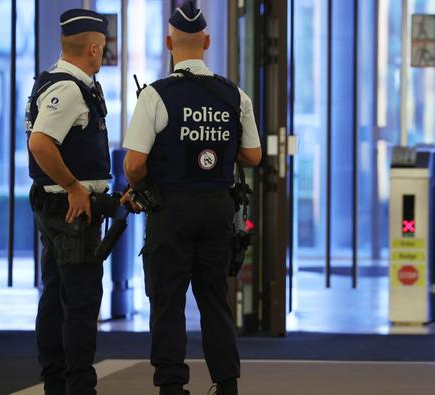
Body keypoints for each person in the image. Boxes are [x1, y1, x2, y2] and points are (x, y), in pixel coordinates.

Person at [121, 2, 262, 394]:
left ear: (169, 43)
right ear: (208, 42)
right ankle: (226, 382)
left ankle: (171, 385)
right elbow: (254, 156)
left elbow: (133, 165)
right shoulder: (235, 95)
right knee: (214, 298)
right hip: (218, 207)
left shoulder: (155, 95)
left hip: (172, 209)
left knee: (168, 299)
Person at [26, 9, 110, 395]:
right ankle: (76, 385)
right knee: (79, 299)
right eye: (103, 46)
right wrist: (76, 186)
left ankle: (57, 381)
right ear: (93, 47)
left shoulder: (74, 83)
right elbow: (40, 144)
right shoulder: (69, 89)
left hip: (62, 208)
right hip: (69, 210)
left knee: (60, 293)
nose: (103, 52)